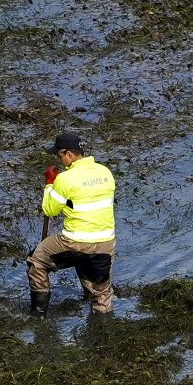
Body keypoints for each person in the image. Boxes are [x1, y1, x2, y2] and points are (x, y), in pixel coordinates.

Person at [28, 130, 116, 316]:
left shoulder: (65, 179)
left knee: (36, 260)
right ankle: (102, 327)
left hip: (74, 241)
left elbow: (49, 210)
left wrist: (50, 184)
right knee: (102, 290)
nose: (60, 160)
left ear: (68, 154)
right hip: (105, 243)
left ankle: (38, 315)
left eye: (59, 155)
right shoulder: (105, 172)